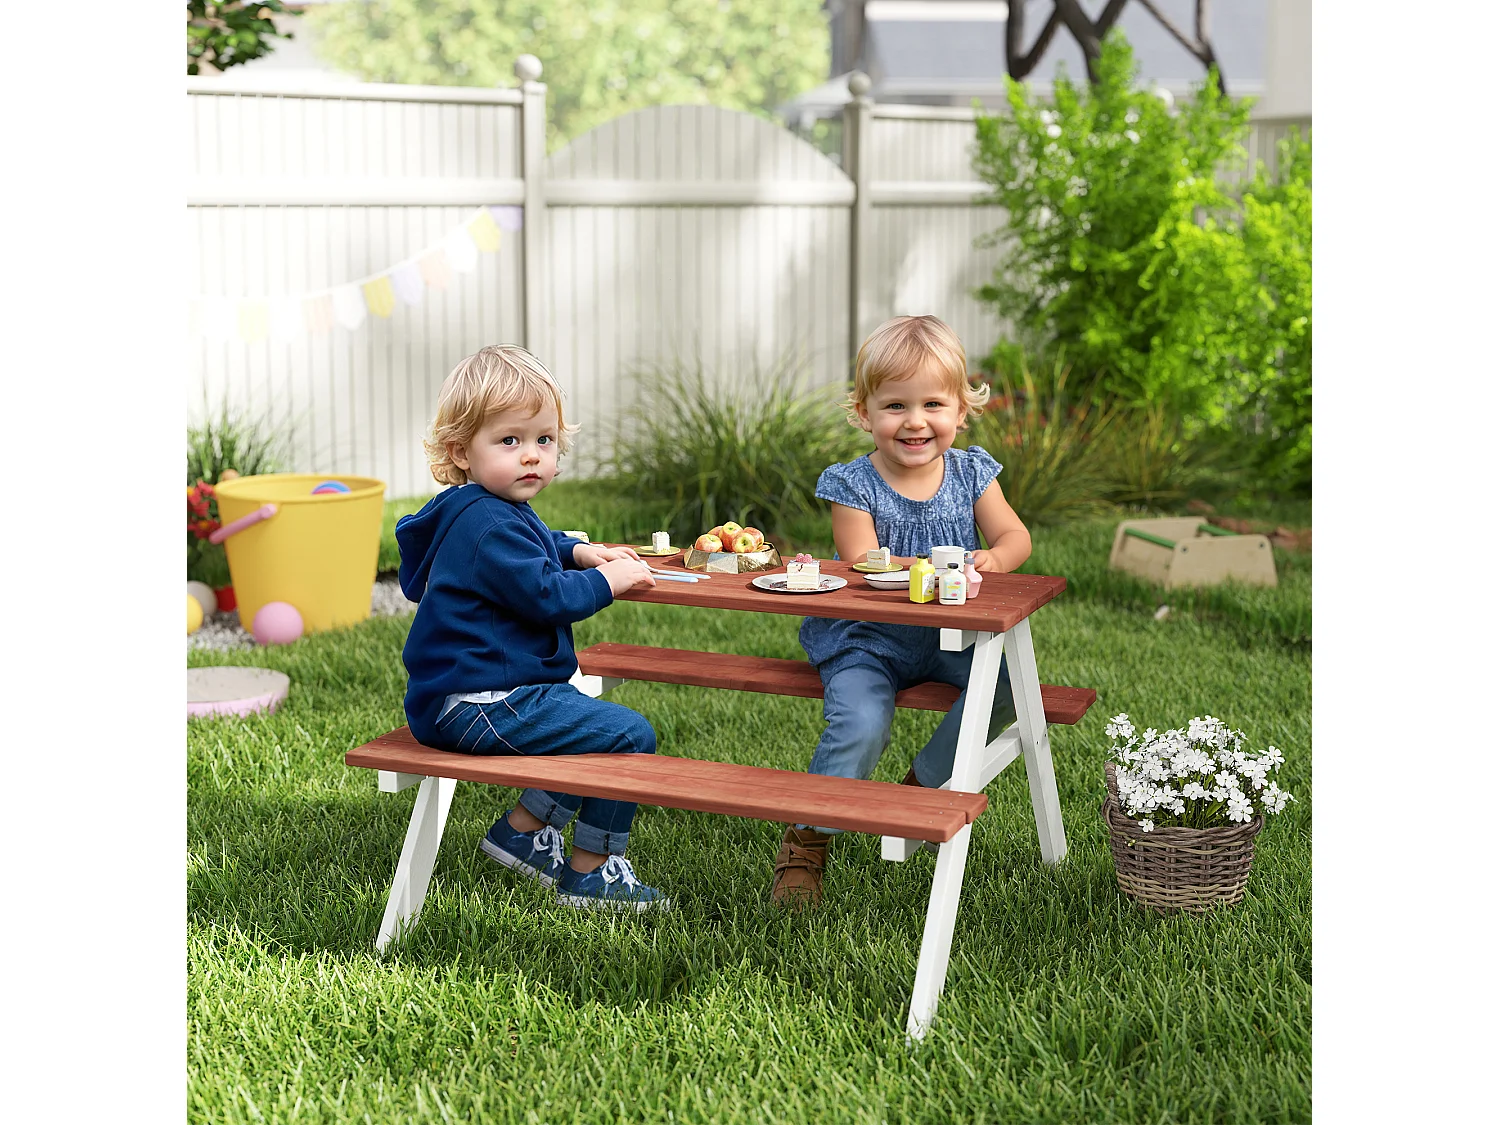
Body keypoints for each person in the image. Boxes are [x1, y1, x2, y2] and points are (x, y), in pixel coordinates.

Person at [771, 315, 1033, 908]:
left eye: (933, 404)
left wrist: (991, 559)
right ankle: (810, 834)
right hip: (869, 639)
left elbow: (1016, 538)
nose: (915, 421)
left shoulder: (971, 473)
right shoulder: (852, 484)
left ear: (961, 411)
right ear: (864, 413)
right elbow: (862, 559)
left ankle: (919, 789)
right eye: (895, 406)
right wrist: (934, 570)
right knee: (861, 724)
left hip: (952, 636)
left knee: (1007, 686)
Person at [397, 344, 671, 913]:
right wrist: (612, 580)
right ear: (460, 451)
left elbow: (539, 546)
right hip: (479, 705)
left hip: (474, 696)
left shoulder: (482, 507)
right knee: (625, 735)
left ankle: (521, 834)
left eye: (544, 441)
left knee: (583, 724)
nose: (531, 457)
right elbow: (545, 597)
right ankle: (591, 873)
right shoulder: (486, 523)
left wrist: (580, 550)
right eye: (510, 441)